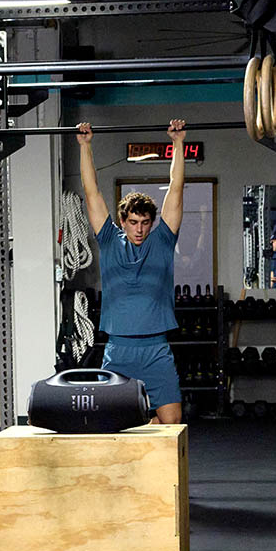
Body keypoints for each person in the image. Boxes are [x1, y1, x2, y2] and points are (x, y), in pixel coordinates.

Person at [76, 120, 186, 424]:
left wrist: (178, 144)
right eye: (134, 222)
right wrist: (85, 146)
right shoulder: (109, 240)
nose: (139, 229)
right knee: (111, 422)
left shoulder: (163, 241)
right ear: (123, 221)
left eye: (145, 223)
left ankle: (145, 428)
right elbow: (92, 192)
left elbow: (176, 189)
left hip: (156, 348)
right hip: (119, 349)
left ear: (152, 222)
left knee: (171, 422)